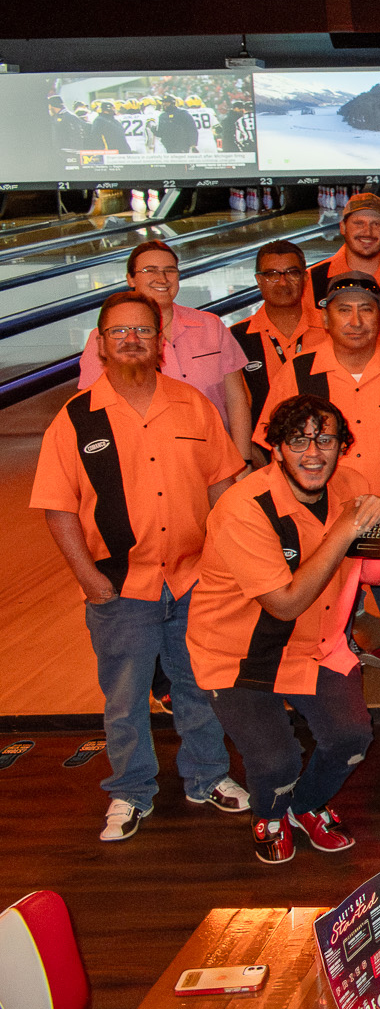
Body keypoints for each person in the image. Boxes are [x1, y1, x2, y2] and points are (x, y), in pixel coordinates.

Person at [35, 291, 250, 842]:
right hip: (121, 585)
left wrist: (222, 569)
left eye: (143, 331)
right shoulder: (75, 420)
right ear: (100, 345)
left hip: (192, 575)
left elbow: (224, 485)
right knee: (125, 698)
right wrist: (91, 581)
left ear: (160, 342)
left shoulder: (191, 404)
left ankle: (209, 776)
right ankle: (130, 791)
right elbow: (58, 508)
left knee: (197, 686)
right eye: (119, 332)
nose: (132, 340)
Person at [260, 271, 380, 769]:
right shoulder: (298, 371)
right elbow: (273, 449)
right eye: (343, 309)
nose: (355, 319)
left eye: (366, 309)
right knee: (317, 632)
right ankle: (324, 728)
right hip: (320, 527)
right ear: (324, 318)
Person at [186, 395, 380, 864]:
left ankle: (307, 805)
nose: (313, 452)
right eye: (298, 440)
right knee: (277, 761)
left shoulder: (351, 487)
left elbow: (375, 573)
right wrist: (345, 530)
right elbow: (284, 604)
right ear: (275, 449)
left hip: (315, 644)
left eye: (326, 439)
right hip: (240, 652)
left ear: (342, 446)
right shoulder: (244, 509)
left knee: (351, 738)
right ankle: (270, 813)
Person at [82, 240, 254, 459]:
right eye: (149, 270)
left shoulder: (211, 325)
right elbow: (94, 411)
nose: (162, 279)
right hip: (145, 461)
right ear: (130, 278)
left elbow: (237, 399)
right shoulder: (108, 337)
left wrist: (243, 460)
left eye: (169, 270)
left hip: (216, 456)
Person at [229, 242, 329, 464]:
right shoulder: (235, 338)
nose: (283, 282)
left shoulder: (331, 328)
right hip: (263, 460)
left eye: (292, 273)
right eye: (272, 274)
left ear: (305, 278)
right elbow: (234, 412)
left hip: (330, 453)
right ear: (259, 280)